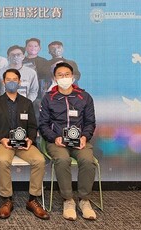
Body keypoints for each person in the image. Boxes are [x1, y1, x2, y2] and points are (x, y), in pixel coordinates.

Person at [0, 68, 49, 220]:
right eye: (8, 79)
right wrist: (2, 139)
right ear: (3, 82)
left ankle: (33, 199)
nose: (12, 82)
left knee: (39, 160)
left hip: (23, 144)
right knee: (3, 161)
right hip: (3, 142)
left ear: (19, 82)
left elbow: (33, 126)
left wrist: (30, 140)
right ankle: (7, 199)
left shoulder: (27, 103)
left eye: (15, 79)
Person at [39, 62, 97, 221]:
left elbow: (90, 122)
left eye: (67, 75)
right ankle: (68, 200)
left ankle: (84, 200)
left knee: (87, 160)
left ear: (72, 76)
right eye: (60, 75)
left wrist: (85, 137)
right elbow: (43, 124)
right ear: (54, 78)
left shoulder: (84, 97)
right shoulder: (49, 98)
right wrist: (54, 138)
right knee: (62, 160)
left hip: (80, 142)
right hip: (57, 142)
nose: (64, 78)